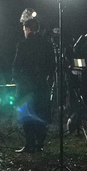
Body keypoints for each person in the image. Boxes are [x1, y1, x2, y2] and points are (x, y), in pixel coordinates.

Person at [11, 12, 54, 152]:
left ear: (27, 29)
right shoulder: (47, 45)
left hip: (26, 85)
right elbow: (51, 65)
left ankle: (30, 143)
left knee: (27, 114)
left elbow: (17, 65)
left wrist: (17, 78)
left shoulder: (23, 45)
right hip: (41, 84)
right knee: (41, 113)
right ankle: (39, 143)